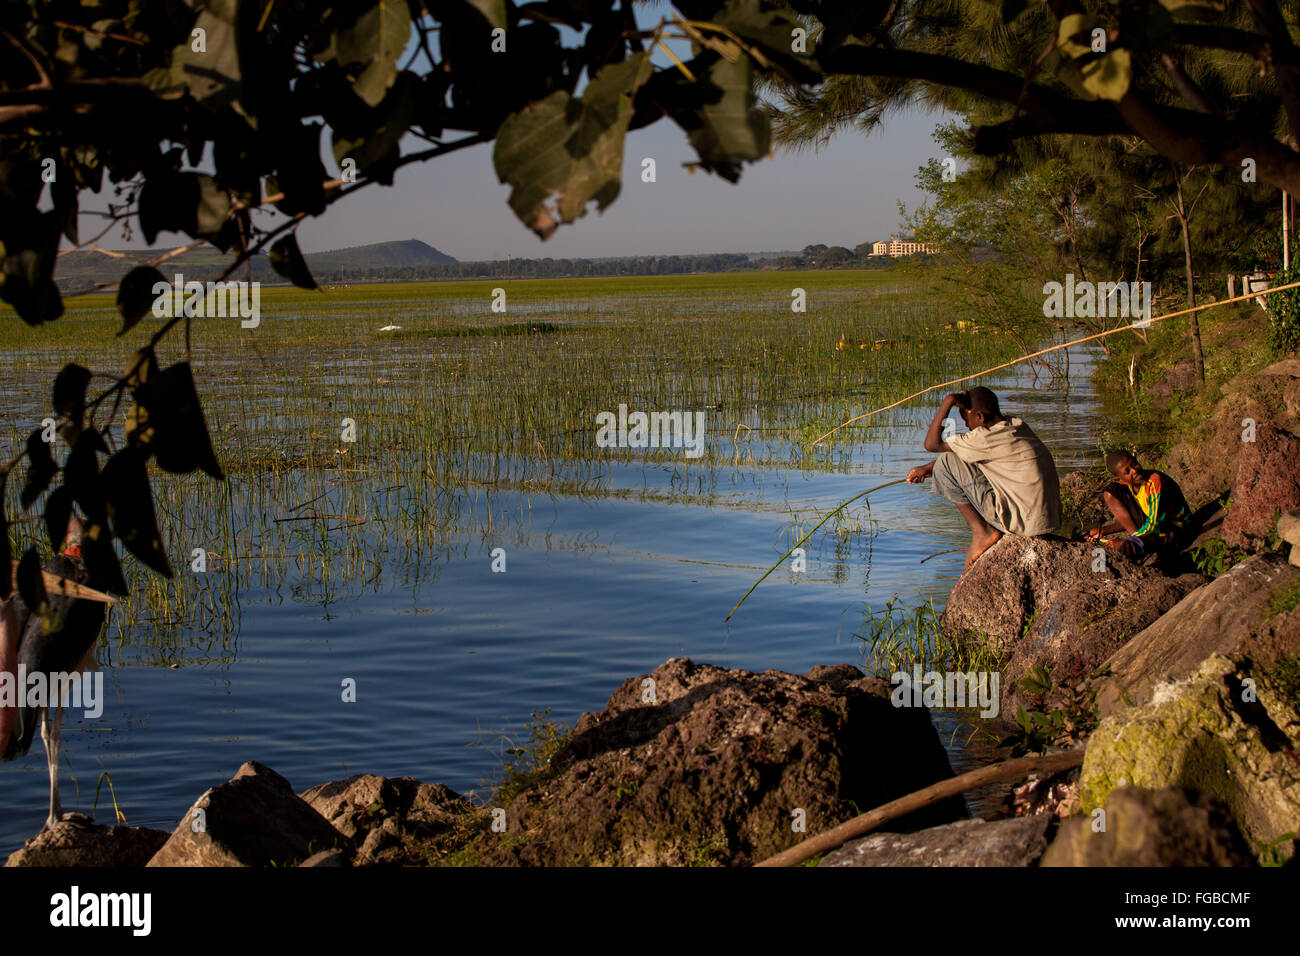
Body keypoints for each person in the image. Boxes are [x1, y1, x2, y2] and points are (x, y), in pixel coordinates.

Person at [907, 387, 1061, 571]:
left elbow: (932, 444)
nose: (966, 426)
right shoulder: (1016, 425)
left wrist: (948, 401)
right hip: (1048, 521)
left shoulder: (984, 438)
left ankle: (982, 532)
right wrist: (926, 469)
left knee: (945, 462)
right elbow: (961, 455)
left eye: (967, 420)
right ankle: (986, 531)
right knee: (945, 462)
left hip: (1024, 525)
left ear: (980, 416)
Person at [1085, 451, 1191, 561]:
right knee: (1111, 492)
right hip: (1158, 524)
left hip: (1175, 530)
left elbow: (1155, 523)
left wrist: (1129, 540)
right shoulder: (1131, 484)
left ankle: (1136, 547)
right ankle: (1136, 542)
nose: (1135, 470)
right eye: (1127, 471)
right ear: (1120, 480)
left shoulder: (1154, 481)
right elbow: (1132, 518)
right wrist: (1103, 531)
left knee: (1125, 546)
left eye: (1134, 463)